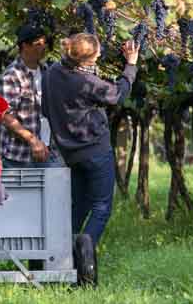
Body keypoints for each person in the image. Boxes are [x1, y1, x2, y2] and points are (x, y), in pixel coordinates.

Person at [41, 34, 139, 249]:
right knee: (101, 207)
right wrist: (130, 65)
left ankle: (64, 258)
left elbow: (46, 110)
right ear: (87, 59)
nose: (100, 54)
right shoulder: (87, 81)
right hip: (96, 151)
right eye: (97, 54)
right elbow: (117, 95)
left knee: (79, 207)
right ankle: (84, 253)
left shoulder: (51, 74)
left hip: (71, 154)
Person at [0, 22, 62, 168]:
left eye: (45, 43)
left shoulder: (47, 71)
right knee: (23, 191)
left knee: (56, 189)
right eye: (38, 43)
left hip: (48, 149)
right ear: (25, 46)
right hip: (20, 154)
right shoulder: (11, 75)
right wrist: (32, 140)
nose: (44, 47)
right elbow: (6, 116)